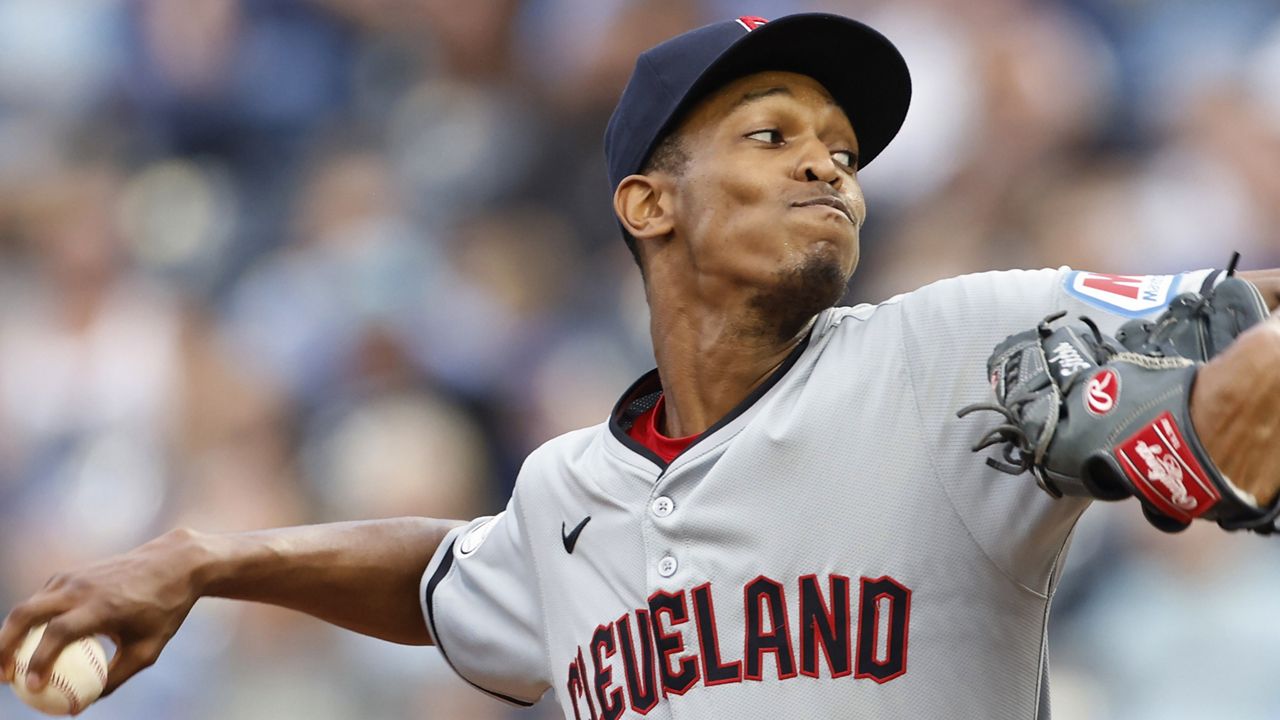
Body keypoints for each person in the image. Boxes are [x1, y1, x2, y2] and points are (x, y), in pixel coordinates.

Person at [4, 12, 1280, 719]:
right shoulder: (570, 497)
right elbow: (449, 579)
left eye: (841, 148)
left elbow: (1238, 317)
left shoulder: (944, 350)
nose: (826, 164)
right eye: (772, 133)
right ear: (645, 205)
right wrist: (206, 560)